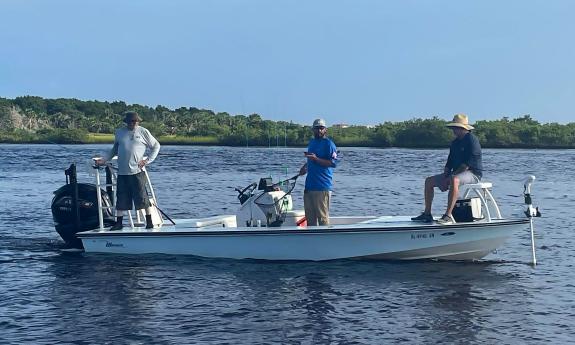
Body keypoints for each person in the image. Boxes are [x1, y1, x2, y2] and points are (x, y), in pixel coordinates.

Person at [411, 114, 483, 225]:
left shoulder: (472, 141)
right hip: (456, 173)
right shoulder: (455, 143)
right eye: (453, 127)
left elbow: (466, 165)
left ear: (462, 128)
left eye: (455, 128)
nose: (453, 130)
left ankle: (448, 215)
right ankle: (427, 213)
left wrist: (449, 178)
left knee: (454, 180)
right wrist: (445, 174)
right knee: (429, 181)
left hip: (473, 173)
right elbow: (449, 161)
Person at [95, 111, 161, 230]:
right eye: (132, 121)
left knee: (142, 197)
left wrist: (147, 160)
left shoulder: (143, 131)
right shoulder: (119, 132)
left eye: (136, 121)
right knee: (121, 198)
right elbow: (115, 149)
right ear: (127, 122)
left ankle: (149, 221)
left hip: (137, 171)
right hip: (122, 172)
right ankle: (119, 223)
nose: (134, 123)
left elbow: (156, 146)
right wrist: (104, 160)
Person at [299, 118, 339, 226]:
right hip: (309, 187)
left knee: (323, 219)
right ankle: (311, 242)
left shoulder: (329, 144)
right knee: (310, 219)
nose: (319, 131)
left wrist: (316, 159)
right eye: (317, 128)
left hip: (322, 187)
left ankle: (325, 241)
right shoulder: (312, 143)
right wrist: (305, 167)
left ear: (325, 130)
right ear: (313, 130)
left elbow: (333, 163)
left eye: (321, 128)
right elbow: (311, 159)